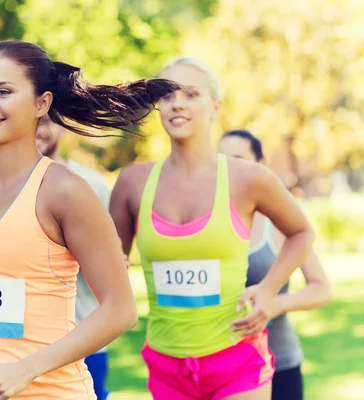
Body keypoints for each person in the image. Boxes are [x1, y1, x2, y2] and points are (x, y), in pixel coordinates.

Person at [0, 39, 180, 399]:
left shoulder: (66, 192)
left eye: (3, 91)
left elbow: (121, 310)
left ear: (43, 103)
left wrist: (25, 369)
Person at [109, 57, 315, 400]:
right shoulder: (132, 183)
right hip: (165, 363)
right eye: (167, 94)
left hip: (237, 359)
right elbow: (110, 264)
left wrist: (267, 291)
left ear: (215, 106)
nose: (177, 103)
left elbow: (302, 233)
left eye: (191, 94)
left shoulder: (248, 178)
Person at [218, 129, 332, 400]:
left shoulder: (279, 223)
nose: (229, 169)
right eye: (221, 161)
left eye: (238, 159)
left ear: (261, 164)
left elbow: (321, 288)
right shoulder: (203, 219)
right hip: (216, 364)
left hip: (279, 362)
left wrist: (273, 304)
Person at [36, 115, 112, 400]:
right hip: (17, 342)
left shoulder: (93, 186)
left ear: (64, 126)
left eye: (46, 120)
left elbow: (113, 265)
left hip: (82, 337)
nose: (37, 128)